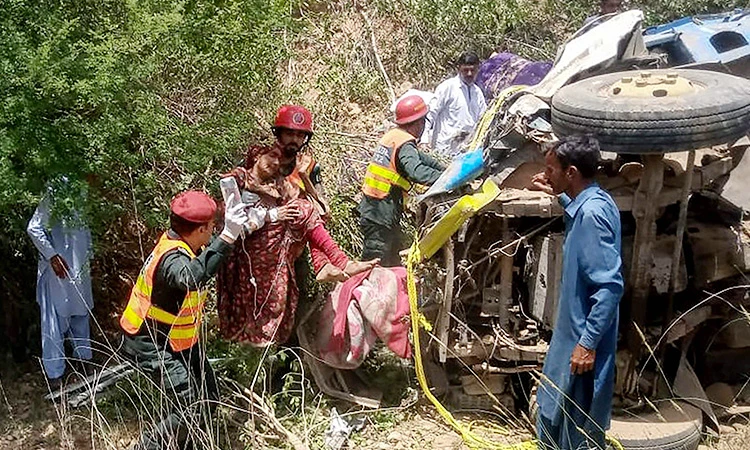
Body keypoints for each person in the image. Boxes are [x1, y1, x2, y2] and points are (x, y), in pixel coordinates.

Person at [218, 106, 377, 347]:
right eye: (289, 133)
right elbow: (236, 190)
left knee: (292, 303)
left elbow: (324, 210)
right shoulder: (261, 157)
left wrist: (304, 178)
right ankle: (250, 355)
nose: (294, 140)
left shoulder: (309, 166)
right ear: (279, 133)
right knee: (254, 303)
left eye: (300, 135)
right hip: (257, 238)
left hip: (292, 245)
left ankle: (285, 360)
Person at [119, 190, 255, 450]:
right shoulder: (173, 258)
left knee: (209, 396)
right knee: (190, 404)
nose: (214, 230)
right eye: (212, 226)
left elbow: (213, 253)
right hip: (150, 343)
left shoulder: (185, 243)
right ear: (200, 229)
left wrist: (246, 226)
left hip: (178, 340)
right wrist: (227, 234)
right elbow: (190, 277)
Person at [529, 135, 624, 449]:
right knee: (554, 413)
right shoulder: (594, 200)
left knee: (574, 428)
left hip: (580, 345)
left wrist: (587, 343)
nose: (547, 175)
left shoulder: (591, 216)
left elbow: (610, 286)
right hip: (571, 338)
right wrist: (560, 196)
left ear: (571, 173)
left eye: (552, 170)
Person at [359, 95, 445, 267]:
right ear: (419, 122)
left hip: (376, 210)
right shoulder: (405, 144)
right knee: (374, 266)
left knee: (389, 263)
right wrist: (445, 179)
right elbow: (417, 171)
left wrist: (445, 169)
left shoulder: (394, 136)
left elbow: (424, 159)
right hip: (381, 213)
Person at [26, 178, 94, 390]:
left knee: (80, 312)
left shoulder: (82, 188)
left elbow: (85, 232)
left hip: (79, 265)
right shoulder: (56, 188)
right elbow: (34, 228)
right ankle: (55, 374)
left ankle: (84, 362)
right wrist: (52, 256)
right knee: (53, 321)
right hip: (57, 269)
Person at [423, 51, 487, 156]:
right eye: (466, 70)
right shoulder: (447, 88)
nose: (469, 74)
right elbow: (430, 114)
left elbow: (483, 120)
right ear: (459, 68)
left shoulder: (477, 92)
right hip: (444, 150)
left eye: (473, 70)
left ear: (478, 69)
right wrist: (424, 140)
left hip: (467, 150)